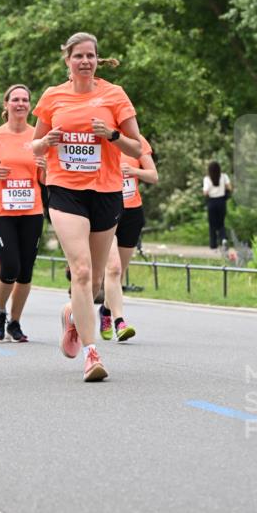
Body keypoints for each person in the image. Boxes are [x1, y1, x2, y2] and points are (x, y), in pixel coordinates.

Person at [32, 32, 142, 382]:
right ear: (67, 60)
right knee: (79, 271)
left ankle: (72, 313)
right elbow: (34, 146)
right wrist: (46, 141)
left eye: (91, 56)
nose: (85, 61)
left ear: (97, 60)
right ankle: (92, 354)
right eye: (78, 56)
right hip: (65, 190)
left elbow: (137, 148)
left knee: (94, 281)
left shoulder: (114, 95)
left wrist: (111, 135)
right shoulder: (52, 97)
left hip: (106, 191)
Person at [0, 84, 45, 342]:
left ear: (30, 105)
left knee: (25, 271)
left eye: (25, 100)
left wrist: (45, 167)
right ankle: (0, 310)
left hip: (32, 210)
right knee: (9, 267)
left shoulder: (37, 136)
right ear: (6, 105)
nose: (20, 104)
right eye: (15, 99)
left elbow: (45, 179)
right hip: (2, 211)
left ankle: (15, 322)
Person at [99, 135, 158, 342]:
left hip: (132, 214)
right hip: (106, 210)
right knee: (113, 269)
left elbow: (153, 176)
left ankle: (105, 310)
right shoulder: (101, 137)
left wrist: (133, 171)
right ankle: (119, 321)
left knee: (119, 272)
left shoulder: (137, 141)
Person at [202, 161, 232, 249]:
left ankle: (213, 244)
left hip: (212, 202)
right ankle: (223, 239)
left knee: (212, 224)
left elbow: (205, 192)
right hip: (222, 201)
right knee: (221, 223)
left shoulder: (207, 178)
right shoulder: (224, 176)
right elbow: (229, 187)